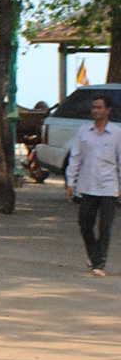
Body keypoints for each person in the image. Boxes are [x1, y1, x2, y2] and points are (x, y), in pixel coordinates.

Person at [65, 93, 121, 276]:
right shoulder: (84, 131)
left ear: (108, 110)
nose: (96, 111)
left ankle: (99, 264)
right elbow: (76, 157)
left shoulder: (116, 133)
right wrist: (70, 182)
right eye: (93, 107)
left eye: (100, 107)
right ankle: (93, 255)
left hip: (109, 187)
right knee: (85, 224)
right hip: (87, 185)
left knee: (104, 228)